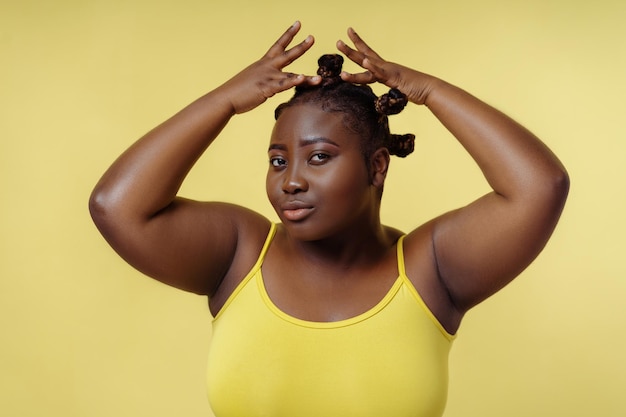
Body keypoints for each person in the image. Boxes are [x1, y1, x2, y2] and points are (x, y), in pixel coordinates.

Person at [89, 21, 569, 417]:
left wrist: (429, 90)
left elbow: (538, 186)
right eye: (278, 160)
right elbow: (118, 205)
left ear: (377, 166)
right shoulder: (239, 255)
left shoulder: (430, 269)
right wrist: (225, 101)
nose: (290, 181)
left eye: (318, 157)